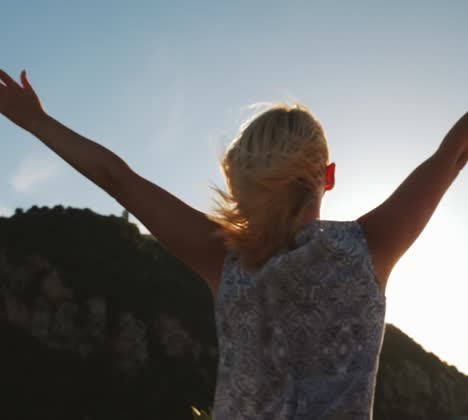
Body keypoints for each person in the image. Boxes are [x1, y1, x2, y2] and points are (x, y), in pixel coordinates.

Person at [0, 69, 466, 419]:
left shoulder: (226, 258)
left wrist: (36, 122)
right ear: (329, 177)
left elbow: (117, 179)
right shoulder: (372, 245)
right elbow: (454, 150)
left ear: (242, 179)